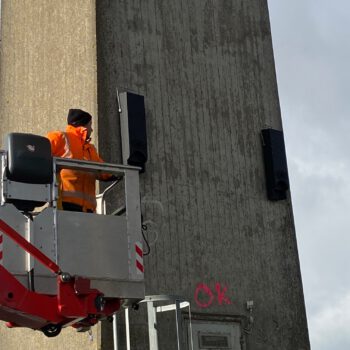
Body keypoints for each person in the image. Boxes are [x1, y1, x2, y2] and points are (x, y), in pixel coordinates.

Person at [47, 109, 112, 213]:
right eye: (90, 125)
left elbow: (103, 171)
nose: (92, 129)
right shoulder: (61, 138)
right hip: (65, 206)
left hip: (88, 210)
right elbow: (40, 155)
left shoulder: (90, 149)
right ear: (84, 126)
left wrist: (117, 173)